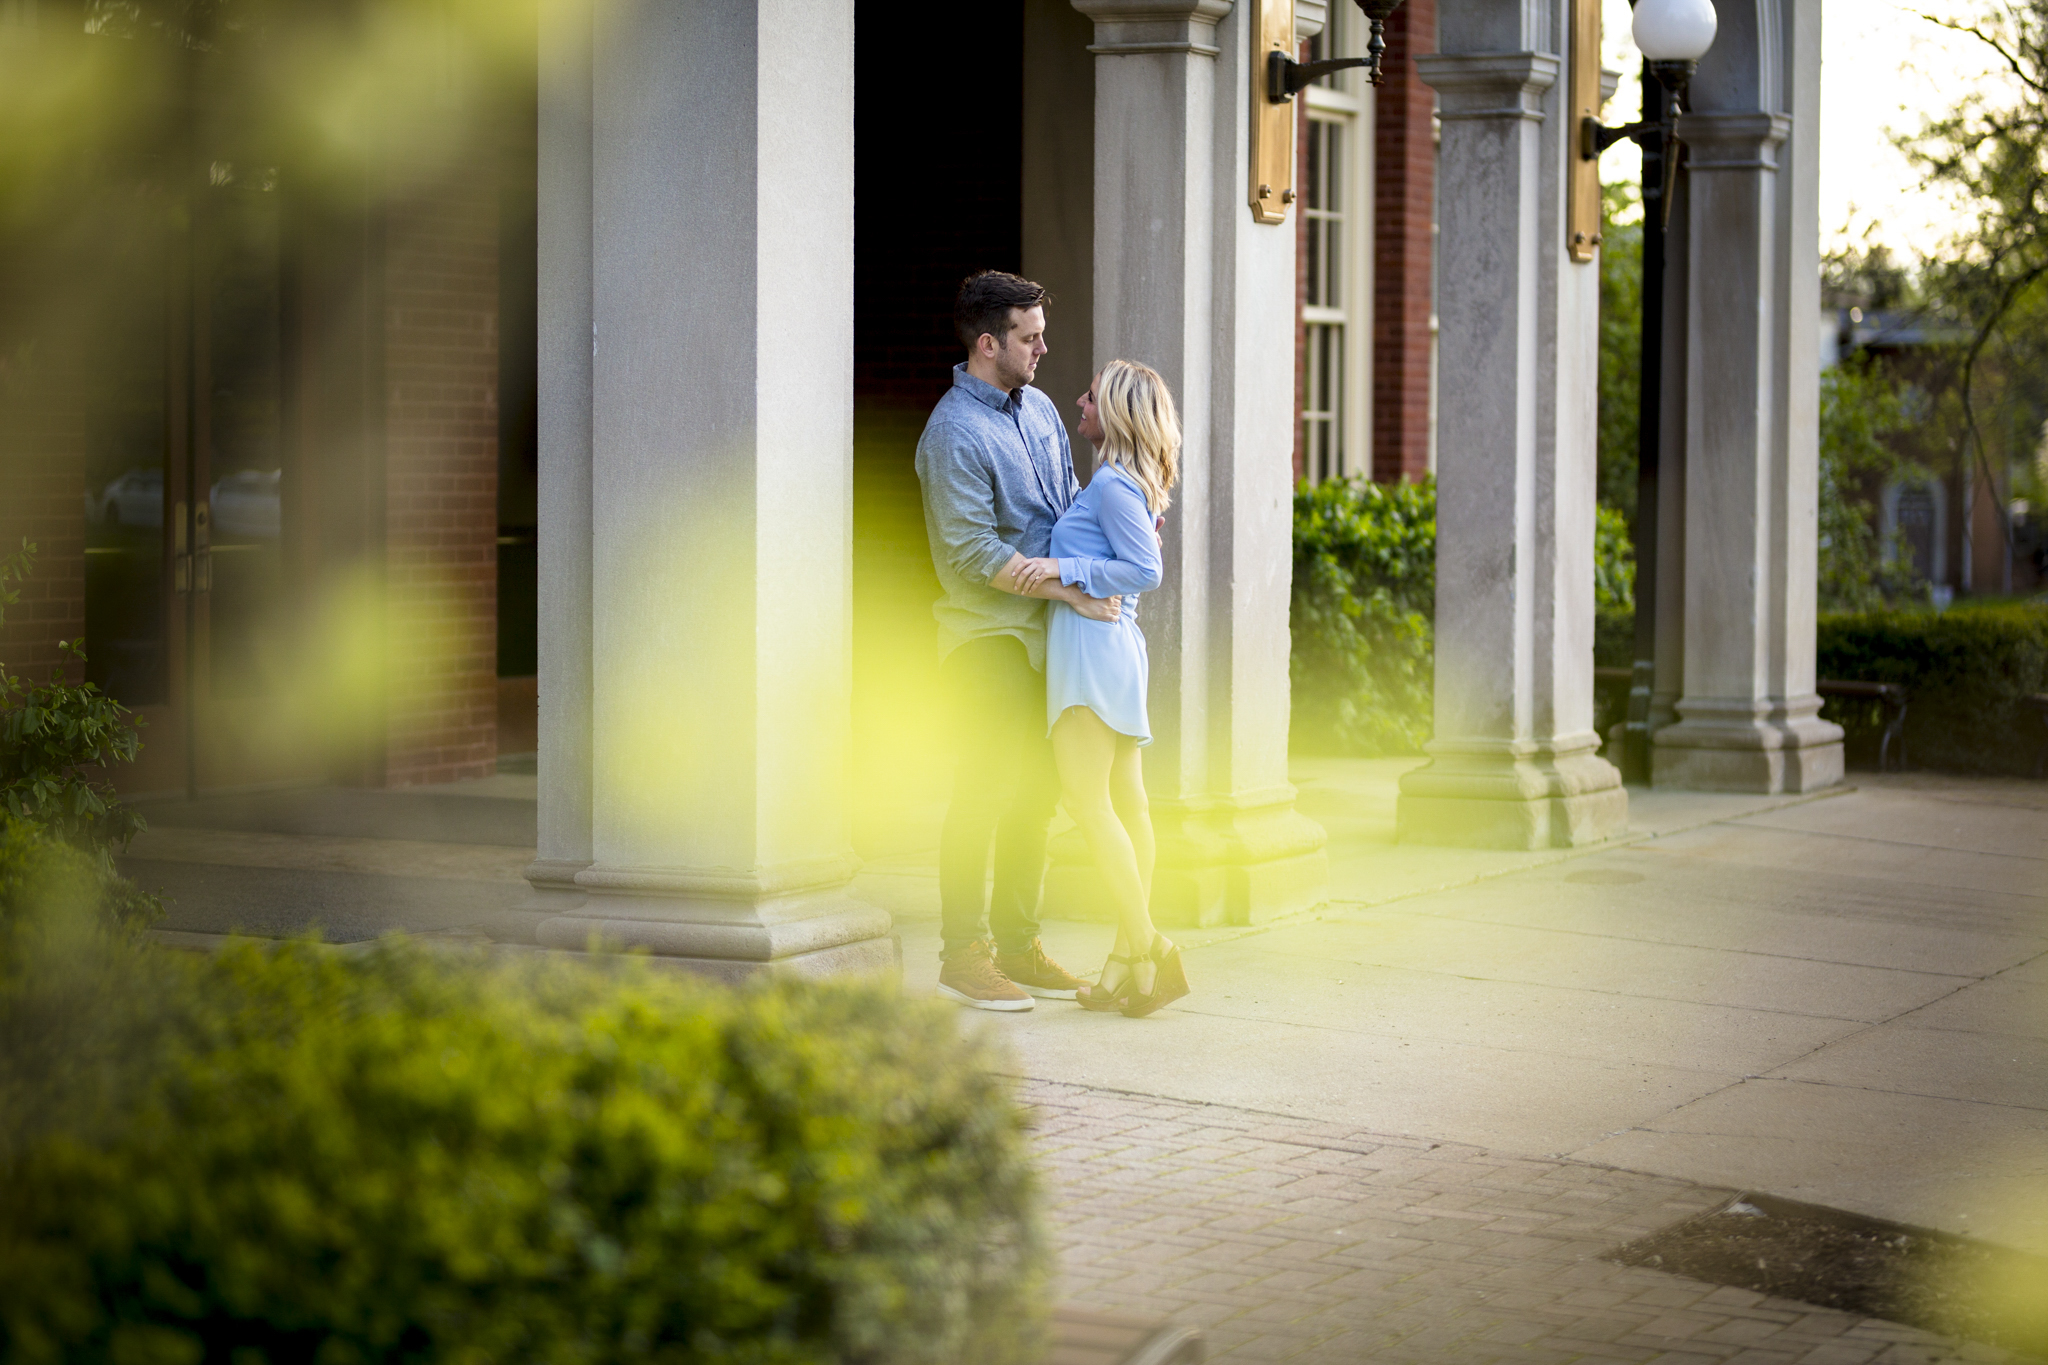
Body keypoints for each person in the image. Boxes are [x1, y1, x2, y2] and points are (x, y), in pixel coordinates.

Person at [914, 270, 1121, 1011]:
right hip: (986, 639)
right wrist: (1068, 587)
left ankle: (1017, 944)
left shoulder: (1036, 409)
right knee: (984, 789)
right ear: (987, 342)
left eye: (1042, 333)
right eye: (1029, 337)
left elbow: (1063, 511)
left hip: (1047, 635)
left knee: (1036, 793)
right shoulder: (951, 433)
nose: (1043, 348)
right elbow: (969, 553)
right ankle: (962, 955)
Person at [1012, 360, 1188, 1017]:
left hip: (1092, 652)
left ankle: (1150, 943)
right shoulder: (1120, 482)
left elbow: (1145, 569)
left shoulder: (1114, 483)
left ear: (1112, 411)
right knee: (1128, 805)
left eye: (1090, 394)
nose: (1078, 401)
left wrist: (1064, 565)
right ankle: (1124, 964)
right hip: (1114, 653)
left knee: (1090, 806)